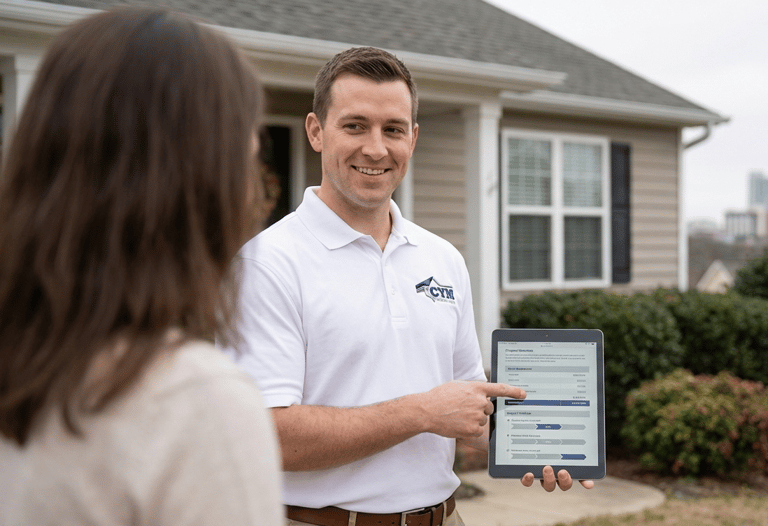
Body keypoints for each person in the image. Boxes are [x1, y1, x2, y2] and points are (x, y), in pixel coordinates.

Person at [223, 46, 593, 526]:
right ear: (316, 131)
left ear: (412, 138)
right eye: (355, 125)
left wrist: (542, 444)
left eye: (393, 129)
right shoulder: (267, 264)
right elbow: (267, 436)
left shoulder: (443, 259)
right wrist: (420, 412)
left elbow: (468, 411)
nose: (376, 148)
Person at [0, 7, 283, 525]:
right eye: (246, 152)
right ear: (199, 184)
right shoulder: (195, 402)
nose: (255, 187)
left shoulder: (25, 367)